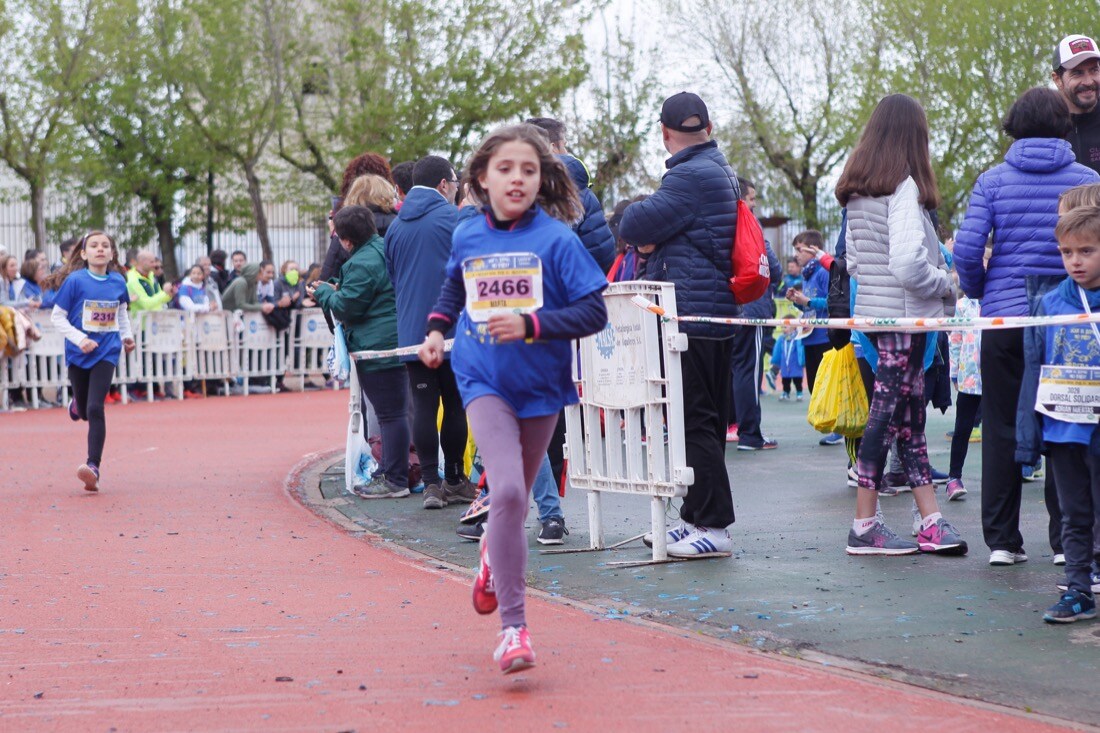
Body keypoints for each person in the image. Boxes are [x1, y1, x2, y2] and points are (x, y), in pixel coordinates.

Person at [418, 124, 607, 673]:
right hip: (482, 379)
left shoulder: (557, 241)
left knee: (514, 503)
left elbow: (593, 312)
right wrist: (435, 330)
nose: (517, 179)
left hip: (542, 386)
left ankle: (490, 561)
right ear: (482, 178)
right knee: (503, 492)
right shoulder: (468, 235)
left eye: (529, 169)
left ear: (543, 177)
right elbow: (455, 287)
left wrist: (530, 324)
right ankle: (514, 630)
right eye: (505, 169)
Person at [954, 87, 1100, 566]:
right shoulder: (1086, 180)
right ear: (1063, 124)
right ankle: (1066, 542)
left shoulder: (992, 181)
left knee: (997, 425)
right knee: (1066, 422)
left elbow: (966, 249)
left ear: (1013, 125)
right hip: (1067, 319)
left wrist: (980, 291)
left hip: (1004, 317)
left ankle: (1001, 541)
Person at [836, 93, 966, 556]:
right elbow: (909, 264)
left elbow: (853, 264)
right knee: (888, 417)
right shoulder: (903, 189)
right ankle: (865, 524)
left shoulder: (856, 194)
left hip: (876, 315)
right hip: (905, 320)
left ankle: (929, 519)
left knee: (907, 419)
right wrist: (946, 284)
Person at [619, 91, 740, 559]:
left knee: (696, 422)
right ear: (707, 127)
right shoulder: (717, 169)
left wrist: (649, 242)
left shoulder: (688, 176)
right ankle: (695, 518)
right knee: (699, 420)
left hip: (691, 312)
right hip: (709, 309)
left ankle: (714, 525)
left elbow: (633, 222)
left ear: (666, 134)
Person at [1017, 205, 1100, 622]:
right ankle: (1078, 590)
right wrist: (1028, 433)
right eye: (1067, 252)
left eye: (1086, 251)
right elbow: (1034, 364)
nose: (1075, 261)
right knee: (1074, 514)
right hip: (1064, 426)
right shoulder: (1049, 303)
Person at [384, 154, 477, 510]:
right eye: (454, 182)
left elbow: (393, 277)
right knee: (454, 403)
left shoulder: (396, 226)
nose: (456, 188)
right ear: (443, 184)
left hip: (411, 331)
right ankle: (454, 479)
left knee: (423, 404)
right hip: (451, 326)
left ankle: (430, 484)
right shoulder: (453, 220)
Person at [310, 205, 409, 498]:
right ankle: (393, 472)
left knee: (390, 414)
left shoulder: (360, 263)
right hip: (394, 337)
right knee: (396, 412)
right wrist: (339, 287)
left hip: (376, 345)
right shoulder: (383, 248)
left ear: (346, 240)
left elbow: (347, 307)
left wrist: (325, 292)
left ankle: (395, 479)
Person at [45, 232, 135, 492]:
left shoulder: (118, 281)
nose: (100, 249)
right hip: (78, 353)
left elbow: (122, 315)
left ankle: (93, 467)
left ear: (111, 254)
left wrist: (127, 337)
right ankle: (76, 405)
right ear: (83, 254)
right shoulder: (75, 281)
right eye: (94, 246)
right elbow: (57, 317)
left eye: (105, 246)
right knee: (84, 411)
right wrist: (80, 339)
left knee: (96, 408)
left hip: (107, 352)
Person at [728, 176, 781, 450]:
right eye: (751, 199)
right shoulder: (747, 222)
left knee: (734, 369)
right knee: (749, 370)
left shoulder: (717, 219)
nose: (754, 205)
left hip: (729, 307)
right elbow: (770, 263)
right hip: (752, 306)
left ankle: (733, 425)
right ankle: (750, 434)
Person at [526, 117, 616, 272]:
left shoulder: (507, 194)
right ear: (552, 147)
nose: (567, 152)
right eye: (565, 145)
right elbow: (602, 253)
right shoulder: (579, 192)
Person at [321, 152, 394, 281]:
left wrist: (336, 235)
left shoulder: (347, 228)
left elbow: (327, 278)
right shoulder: (399, 223)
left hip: (357, 296)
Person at [945, 282, 980, 501]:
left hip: (997, 377)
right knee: (962, 428)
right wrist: (954, 371)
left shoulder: (1000, 303)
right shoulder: (963, 305)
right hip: (969, 376)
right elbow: (955, 339)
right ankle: (953, 477)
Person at [1052, 34, 1100, 174]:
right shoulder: (1042, 129)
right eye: (1077, 73)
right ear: (1057, 79)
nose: (1088, 81)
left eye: (1094, 70)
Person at [772, 326, 805, 401]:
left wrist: (802, 359)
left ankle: (799, 392)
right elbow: (777, 350)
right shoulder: (781, 338)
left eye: (785, 327)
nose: (783, 329)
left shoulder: (797, 337)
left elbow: (801, 349)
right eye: (783, 327)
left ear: (793, 328)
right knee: (785, 380)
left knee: (797, 379)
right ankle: (786, 392)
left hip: (795, 363)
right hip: (785, 363)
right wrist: (776, 360)